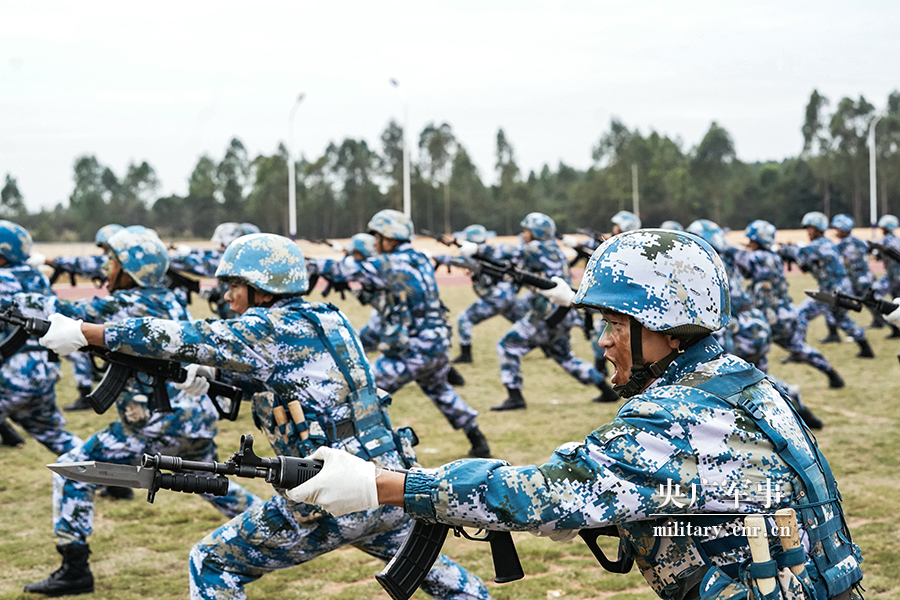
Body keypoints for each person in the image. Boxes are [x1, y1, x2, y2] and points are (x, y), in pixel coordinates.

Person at [288, 229, 864, 600]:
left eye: (616, 325)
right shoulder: (742, 381)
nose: (604, 344)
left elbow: (540, 495)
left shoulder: (678, 418)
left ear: (664, 328)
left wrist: (376, 484)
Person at [38, 232, 492, 600]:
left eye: (235, 287)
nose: (229, 298)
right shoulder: (328, 319)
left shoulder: (268, 328)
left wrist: (84, 332)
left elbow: (179, 335)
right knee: (446, 581)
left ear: (262, 287)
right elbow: (293, 381)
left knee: (210, 562)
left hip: (330, 493)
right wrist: (208, 375)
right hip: (384, 484)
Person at [18, 227, 260, 597]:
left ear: (131, 271)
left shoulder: (125, 304)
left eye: (113, 262)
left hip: (154, 424)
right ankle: (266, 524)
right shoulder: (167, 299)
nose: (107, 267)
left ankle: (74, 567)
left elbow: (55, 309)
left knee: (71, 471)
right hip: (194, 419)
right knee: (215, 486)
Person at [315, 210, 491, 458]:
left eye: (377, 236)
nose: (374, 242)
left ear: (390, 237)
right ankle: (479, 441)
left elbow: (345, 269)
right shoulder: (418, 257)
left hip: (413, 349)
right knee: (441, 391)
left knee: (364, 393)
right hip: (438, 344)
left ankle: (350, 454)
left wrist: (309, 265)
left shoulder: (391, 263)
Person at [489, 213, 618, 409]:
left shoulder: (536, 248)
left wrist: (475, 248)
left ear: (536, 233)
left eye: (526, 230)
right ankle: (606, 390)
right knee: (565, 357)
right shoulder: (554, 251)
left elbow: (506, 252)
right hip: (562, 314)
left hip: (545, 316)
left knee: (507, 345)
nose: (523, 234)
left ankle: (515, 396)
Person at [0, 220, 82, 456]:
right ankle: (110, 480)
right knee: (54, 434)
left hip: (15, 373)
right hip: (45, 369)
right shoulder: (36, 278)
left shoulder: (4, 281)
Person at [733, 220, 845, 388]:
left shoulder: (762, 257)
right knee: (798, 348)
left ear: (758, 240)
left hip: (771, 317)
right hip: (780, 315)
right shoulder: (771, 257)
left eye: (752, 241)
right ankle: (832, 374)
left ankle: (757, 387)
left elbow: (740, 259)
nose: (750, 244)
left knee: (753, 351)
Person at [34, 225, 124, 411]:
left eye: (107, 250)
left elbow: (85, 264)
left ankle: (85, 392)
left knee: (76, 344)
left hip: (121, 313)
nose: (105, 256)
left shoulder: (124, 261)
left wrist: (48, 260)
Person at [779, 212, 874, 358]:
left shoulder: (820, 245)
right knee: (841, 319)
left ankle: (798, 351)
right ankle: (866, 348)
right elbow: (807, 264)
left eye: (810, 229)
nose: (808, 232)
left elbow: (800, 253)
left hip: (832, 291)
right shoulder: (826, 244)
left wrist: (780, 249)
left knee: (801, 314)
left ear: (818, 229)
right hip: (839, 288)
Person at [432, 224, 527, 365]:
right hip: (508, 297)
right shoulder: (492, 255)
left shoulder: (479, 259)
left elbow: (460, 262)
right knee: (527, 325)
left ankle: (466, 355)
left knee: (464, 319)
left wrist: (436, 256)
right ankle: (548, 349)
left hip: (494, 299)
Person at [169, 222, 261, 319]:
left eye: (223, 244)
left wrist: (167, 258)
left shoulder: (235, 262)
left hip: (241, 319)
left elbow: (200, 265)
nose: (221, 247)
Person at [829, 214, 894, 337]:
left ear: (844, 229)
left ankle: (835, 334)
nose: (836, 231)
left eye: (838, 228)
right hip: (863, 279)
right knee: (874, 306)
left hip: (858, 281)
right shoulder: (857, 241)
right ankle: (890, 326)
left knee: (839, 306)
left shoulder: (844, 244)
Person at [871, 214, 900, 336]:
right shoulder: (896, 240)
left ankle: (892, 326)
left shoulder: (888, 240)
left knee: (873, 295)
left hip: (893, 277)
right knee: (896, 303)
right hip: (895, 276)